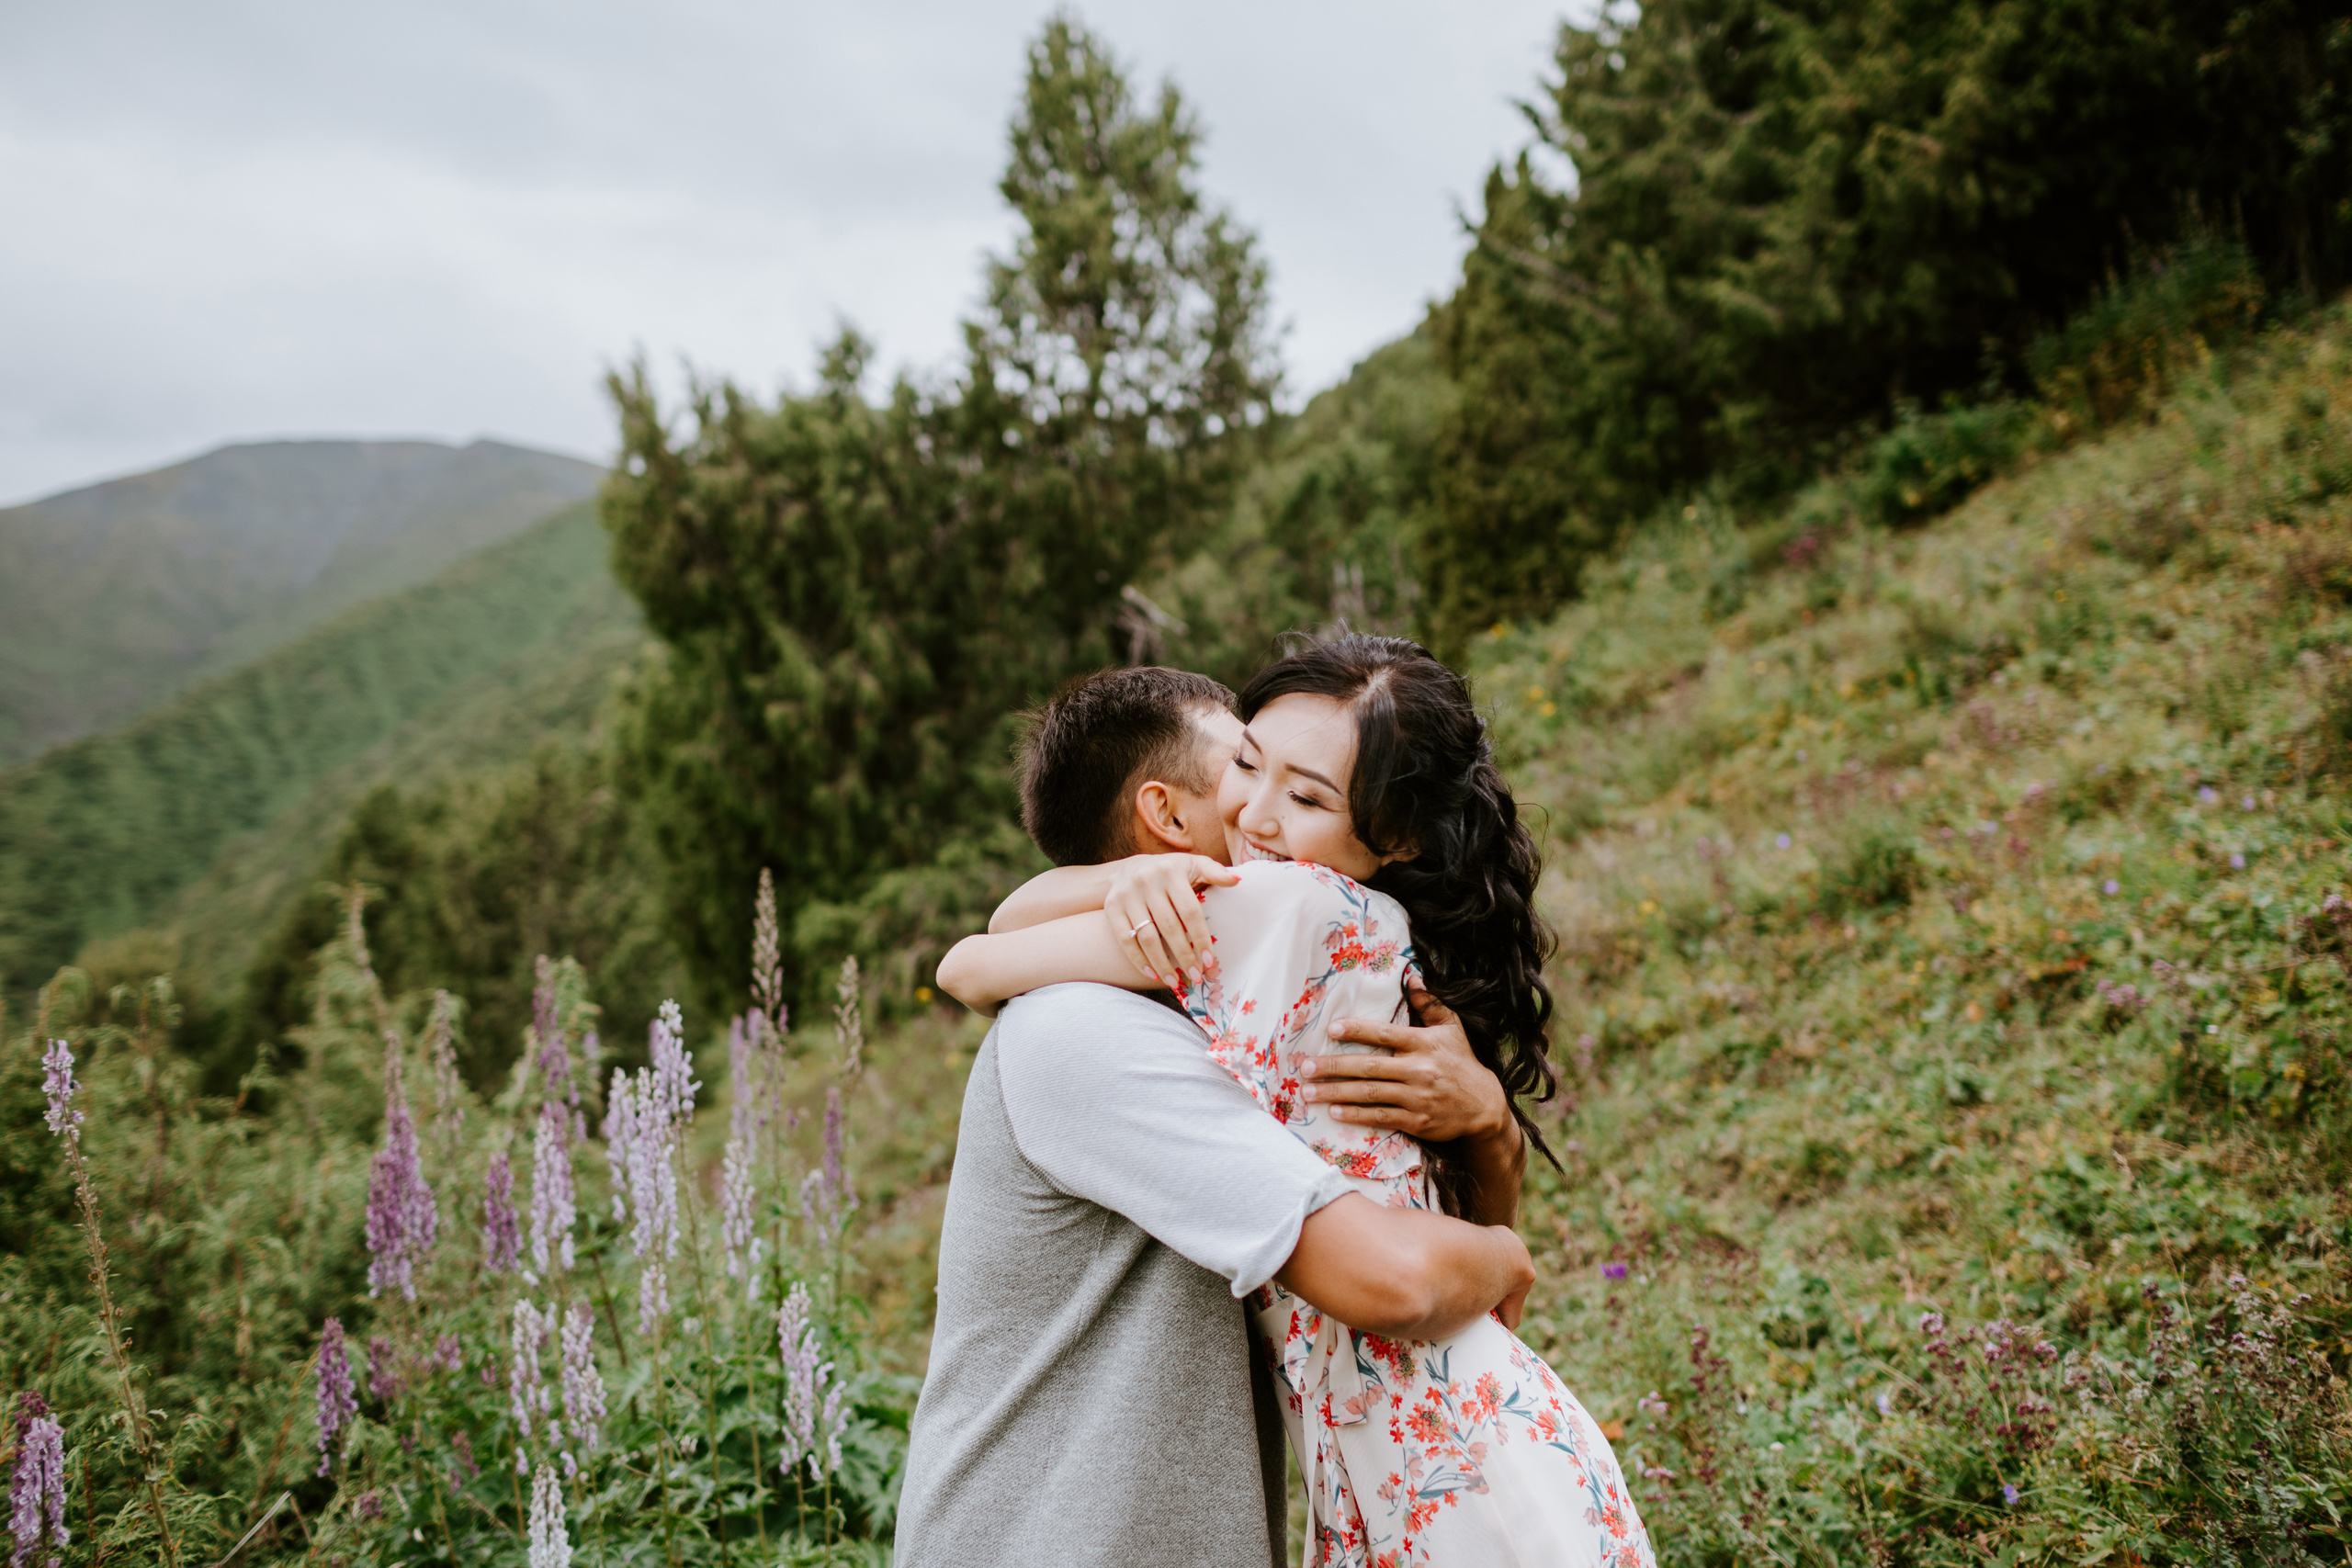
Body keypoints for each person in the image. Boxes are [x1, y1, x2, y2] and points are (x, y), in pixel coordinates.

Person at [938, 637, 1655, 1568]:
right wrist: (1502, 1231)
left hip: (1438, 1458)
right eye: (1243, 764)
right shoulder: (1289, 947)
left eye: (1307, 795)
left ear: (1391, 836)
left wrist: (1491, 1161)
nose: (1256, 813)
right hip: (1411, 1445)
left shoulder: (1284, 912)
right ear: (1161, 811)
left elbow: (970, 959)